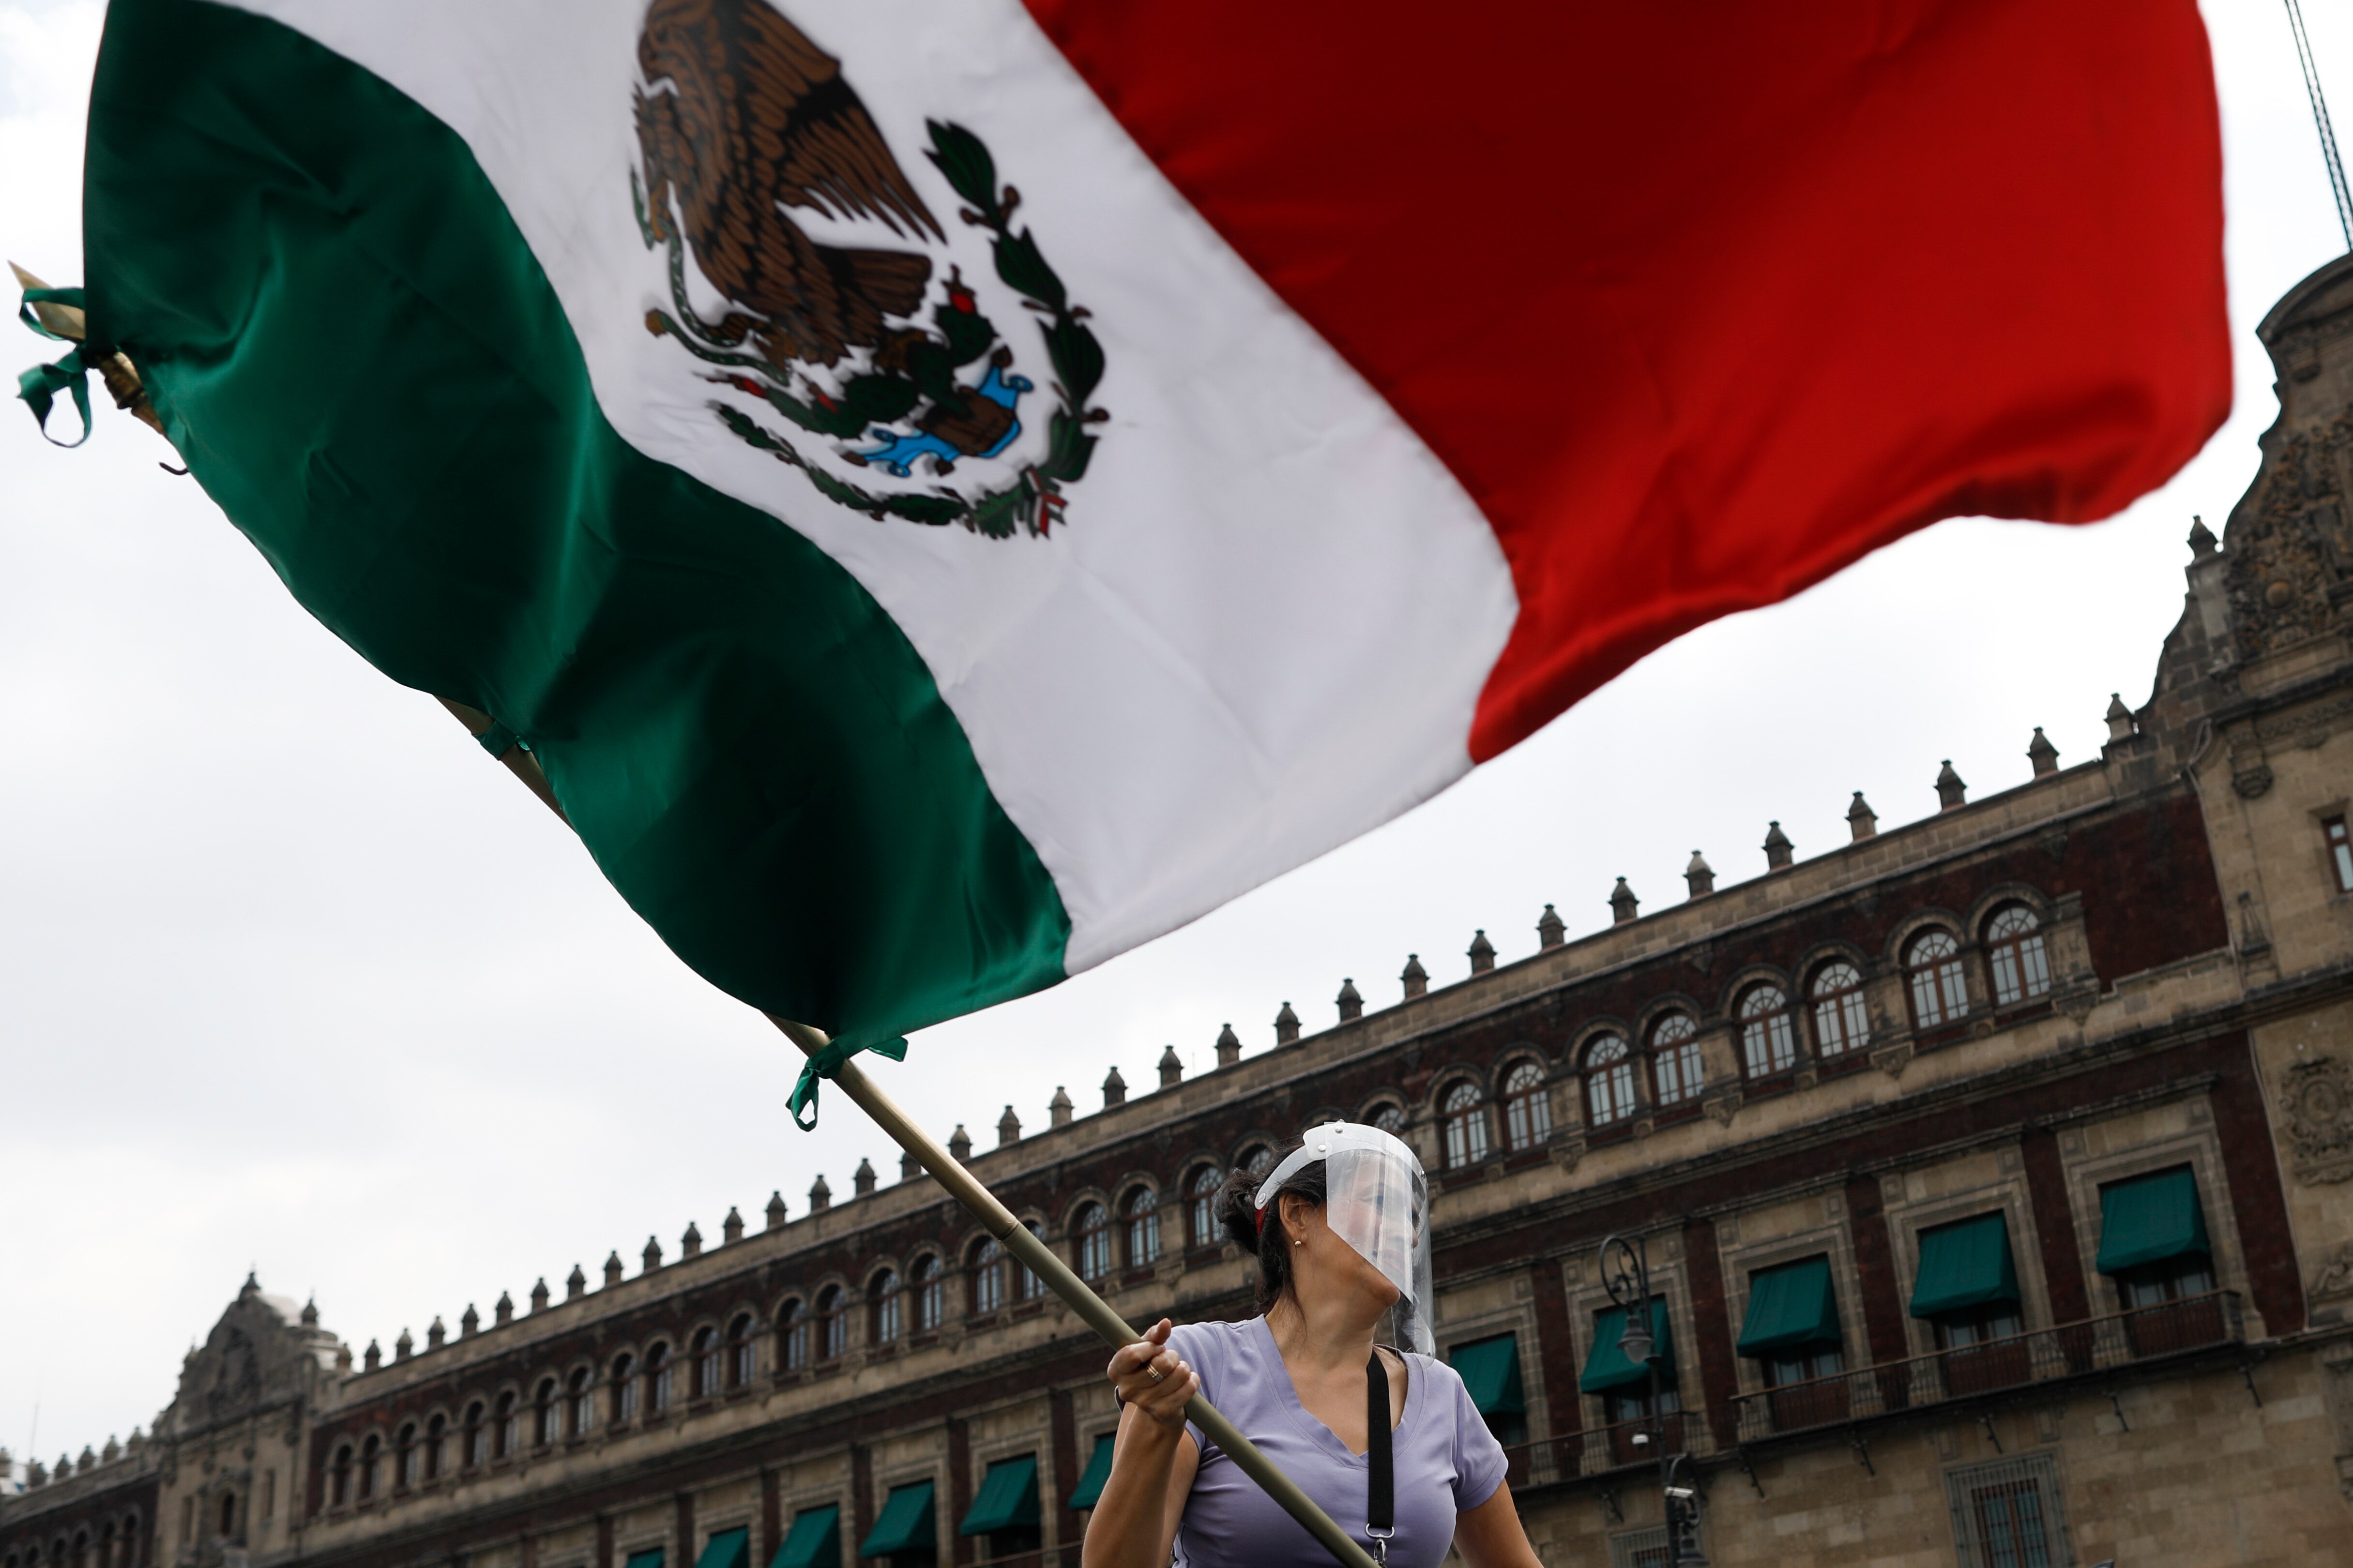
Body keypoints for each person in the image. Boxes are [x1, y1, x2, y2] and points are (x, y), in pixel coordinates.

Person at [1083, 1123, 1543, 1568]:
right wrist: (1155, 1426)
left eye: (1411, 1217)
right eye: (1380, 1202)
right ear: (1297, 1214)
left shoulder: (1442, 1393)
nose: (1408, 1234)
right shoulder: (1197, 1365)